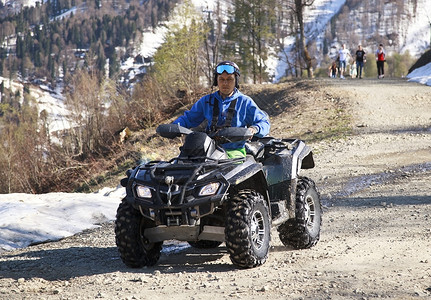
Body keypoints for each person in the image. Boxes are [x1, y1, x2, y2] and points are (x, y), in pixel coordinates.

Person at [172, 61, 270, 158]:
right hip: (207, 150)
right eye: (221, 79)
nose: (225, 83)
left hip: (235, 152)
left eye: (229, 79)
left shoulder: (245, 102)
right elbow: (188, 118)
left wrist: (254, 129)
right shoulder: (206, 101)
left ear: (236, 80)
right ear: (216, 81)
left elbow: (263, 122)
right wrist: (175, 127)